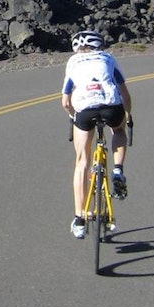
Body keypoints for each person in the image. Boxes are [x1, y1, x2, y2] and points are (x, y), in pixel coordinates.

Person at [61, 29, 133, 239]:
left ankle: (79, 219)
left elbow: (65, 101)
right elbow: (124, 92)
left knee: (82, 161)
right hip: (111, 107)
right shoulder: (108, 58)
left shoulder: (73, 62)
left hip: (85, 110)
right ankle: (118, 170)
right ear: (99, 45)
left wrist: (73, 117)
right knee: (118, 130)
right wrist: (128, 116)